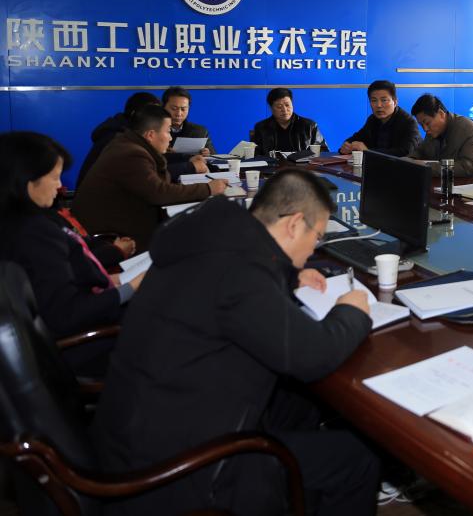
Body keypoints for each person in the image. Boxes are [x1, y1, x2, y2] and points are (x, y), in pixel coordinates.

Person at [92, 169, 379, 515]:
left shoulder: (212, 240)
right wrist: (352, 312)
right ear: (293, 224)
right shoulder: (239, 272)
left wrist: (288, 276)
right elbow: (314, 356)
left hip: (139, 430)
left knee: (300, 402)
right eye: (316, 237)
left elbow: (227, 292)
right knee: (357, 459)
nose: (313, 248)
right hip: (180, 472)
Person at [0, 132, 143, 375]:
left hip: (76, 335)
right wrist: (133, 286)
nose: (60, 186)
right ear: (27, 180)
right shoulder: (35, 234)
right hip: (89, 346)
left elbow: (55, 285)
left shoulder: (22, 221)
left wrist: (116, 281)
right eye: (55, 177)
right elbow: (67, 313)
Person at [73, 106, 227, 251]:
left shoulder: (128, 144)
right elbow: (160, 192)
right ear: (151, 135)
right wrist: (208, 188)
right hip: (110, 236)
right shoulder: (131, 154)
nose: (170, 138)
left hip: (119, 222)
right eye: (168, 131)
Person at [76, 91, 161, 188]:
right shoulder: (117, 139)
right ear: (134, 114)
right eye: (151, 116)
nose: (155, 122)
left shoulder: (122, 131)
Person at [408, 93, 473, 176]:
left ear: (441, 114)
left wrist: (427, 167)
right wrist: (409, 160)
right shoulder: (432, 131)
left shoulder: (466, 128)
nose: (425, 129)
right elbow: (422, 151)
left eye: (427, 123)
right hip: (449, 179)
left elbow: (468, 167)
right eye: (421, 125)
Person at [339, 80, 420, 156]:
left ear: (395, 102)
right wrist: (346, 146)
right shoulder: (372, 119)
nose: (379, 105)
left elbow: (406, 151)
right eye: (374, 100)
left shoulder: (408, 122)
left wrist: (368, 151)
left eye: (384, 100)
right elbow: (358, 137)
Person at [252, 87, 329, 155]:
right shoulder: (262, 127)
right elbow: (255, 155)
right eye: (279, 106)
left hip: (303, 166)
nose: (284, 110)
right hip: (272, 166)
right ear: (271, 108)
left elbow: (323, 152)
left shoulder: (309, 126)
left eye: (287, 105)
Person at [163, 86, 216, 155]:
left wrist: (208, 154)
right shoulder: (155, 131)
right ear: (163, 107)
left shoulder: (200, 132)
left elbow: (214, 157)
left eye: (183, 109)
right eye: (174, 108)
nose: (179, 114)